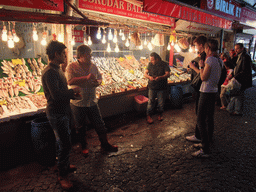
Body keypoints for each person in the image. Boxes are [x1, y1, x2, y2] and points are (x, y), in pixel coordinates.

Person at [42, 41, 81, 190]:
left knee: (64, 141)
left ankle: (63, 165)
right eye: (63, 53)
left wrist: (71, 95)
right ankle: (62, 175)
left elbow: (60, 93)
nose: (66, 56)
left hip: (62, 110)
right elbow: (56, 95)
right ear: (56, 54)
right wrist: (73, 92)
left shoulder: (56, 69)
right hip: (56, 113)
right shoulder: (50, 72)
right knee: (64, 143)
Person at [66, 45, 118, 155]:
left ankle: (105, 144)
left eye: (90, 54)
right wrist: (86, 78)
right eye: (87, 55)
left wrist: (97, 82)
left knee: (99, 123)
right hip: (78, 102)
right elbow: (69, 81)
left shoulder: (93, 66)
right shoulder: (71, 66)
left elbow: (99, 78)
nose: (90, 57)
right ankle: (84, 147)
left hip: (92, 101)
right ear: (80, 56)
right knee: (80, 127)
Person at [190, 39, 222, 158]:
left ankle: (205, 149)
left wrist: (200, 66)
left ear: (208, 48)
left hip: (206, 92)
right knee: (209, 118)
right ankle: (206, 142)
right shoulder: (219, 60)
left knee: (200, 120)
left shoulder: (210, 60)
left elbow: (203, 77)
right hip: (213, 91)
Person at [186, 35, 207, 143]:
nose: (195, 48)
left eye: (196, 45)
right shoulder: (211, 57)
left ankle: (200, 137)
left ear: (201, 45)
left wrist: (194, 67)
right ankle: (202, 136)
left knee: (200, 114)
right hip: (208, 89)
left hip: (204, 89)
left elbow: (202, 75)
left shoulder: (206, 57)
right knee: (203, 114)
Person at [144, 52, 170, 124]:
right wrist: (149, 77)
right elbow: (145, 73)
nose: (151, 61)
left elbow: (168, 74)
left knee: (161, 102)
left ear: (157, 59)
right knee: (151, 101)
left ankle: (160, 114)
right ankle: (148, 116)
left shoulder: (164, 64)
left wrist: (161, 77)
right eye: (151, 60)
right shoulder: (150, 64)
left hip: (162, 86)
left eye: (152, 60)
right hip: (152, 86)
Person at [227, 43, 252, 115]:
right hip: (239, 78)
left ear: (242, 48)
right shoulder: (239, 56)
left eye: (237, 48)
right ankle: (233, 109)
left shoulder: (245, 57)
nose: (236, 50)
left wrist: (235, 77)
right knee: (236, 94)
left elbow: (244, 70)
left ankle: (237, 110)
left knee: (238, 95)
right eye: (235, 48)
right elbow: (235, 66)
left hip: (242, 80)